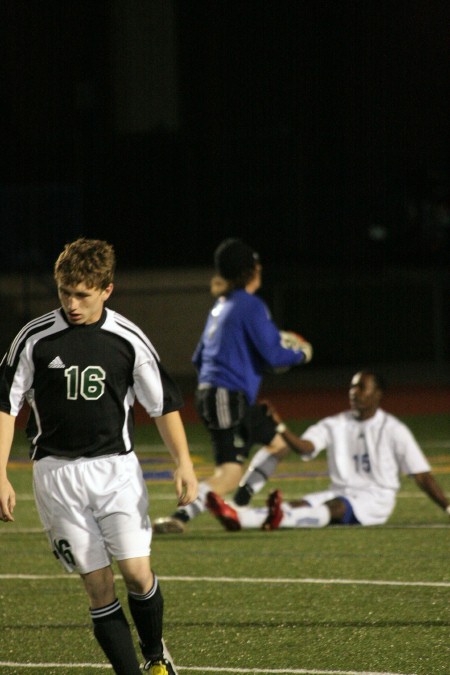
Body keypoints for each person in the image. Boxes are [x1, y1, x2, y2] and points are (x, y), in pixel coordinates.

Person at [0, 238, 198, 675]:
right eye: (64, 293)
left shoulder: (127, 339)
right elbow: (5, 408)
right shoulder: (34, 339)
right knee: (98, 586)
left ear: (107, 289)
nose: (71, 304)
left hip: (116, 472)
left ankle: (154, 655)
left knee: (137, 574)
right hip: (55, 477)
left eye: (82, 295)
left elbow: (162, 405)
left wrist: (184, 462)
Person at [154, 237, 312, 534]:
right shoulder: (250, 306)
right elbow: (273, 355)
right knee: (228, 474)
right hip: (228, 397)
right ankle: (181, 517)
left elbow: (198, 357)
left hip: (218, 395)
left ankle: (239, 502)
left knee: (278, 445)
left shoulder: (222, 306)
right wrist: (300, 353)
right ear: (252, 269)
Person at [206, 370, 450, 530]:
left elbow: (421, 475)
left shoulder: (394, 429)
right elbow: (305, 449)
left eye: (361, 387)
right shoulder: (335, 423)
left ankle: (242, 518)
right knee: (296, 505)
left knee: (335, 508)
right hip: (340, 491)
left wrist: (447, 505)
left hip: (375, 500)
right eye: (352, 387)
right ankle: (239, 518)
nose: (354, 392)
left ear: (377, 394)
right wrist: (279, 425)